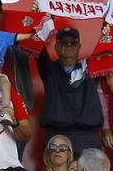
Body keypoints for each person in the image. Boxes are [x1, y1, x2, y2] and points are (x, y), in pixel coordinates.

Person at [32, 25, 104, 155]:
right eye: (64, 43)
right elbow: (38, 44)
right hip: (57, 135)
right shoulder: (49, 69)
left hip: (88, 137)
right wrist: (42, 18)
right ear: (56, 47)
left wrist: (106, 26)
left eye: (73, 43)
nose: (68, 46)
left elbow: (106, 45)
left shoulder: (91, 68)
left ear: (79, 47)